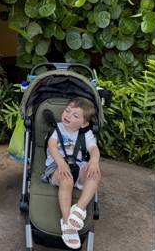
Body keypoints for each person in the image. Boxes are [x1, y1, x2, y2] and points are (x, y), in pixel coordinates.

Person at [43, 97, 101, 250]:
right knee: (66, 180)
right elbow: (52, 146)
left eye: (75, 115)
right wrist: (61, 163)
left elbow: (94, 149)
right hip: (56, 167)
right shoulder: (57, 129)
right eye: (67, 111)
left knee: (95, 173)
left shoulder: (86, 134)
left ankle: (79, 208)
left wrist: (94, 161)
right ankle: (67, 220)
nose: (68, 115)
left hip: (77, 166)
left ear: (83, 123)